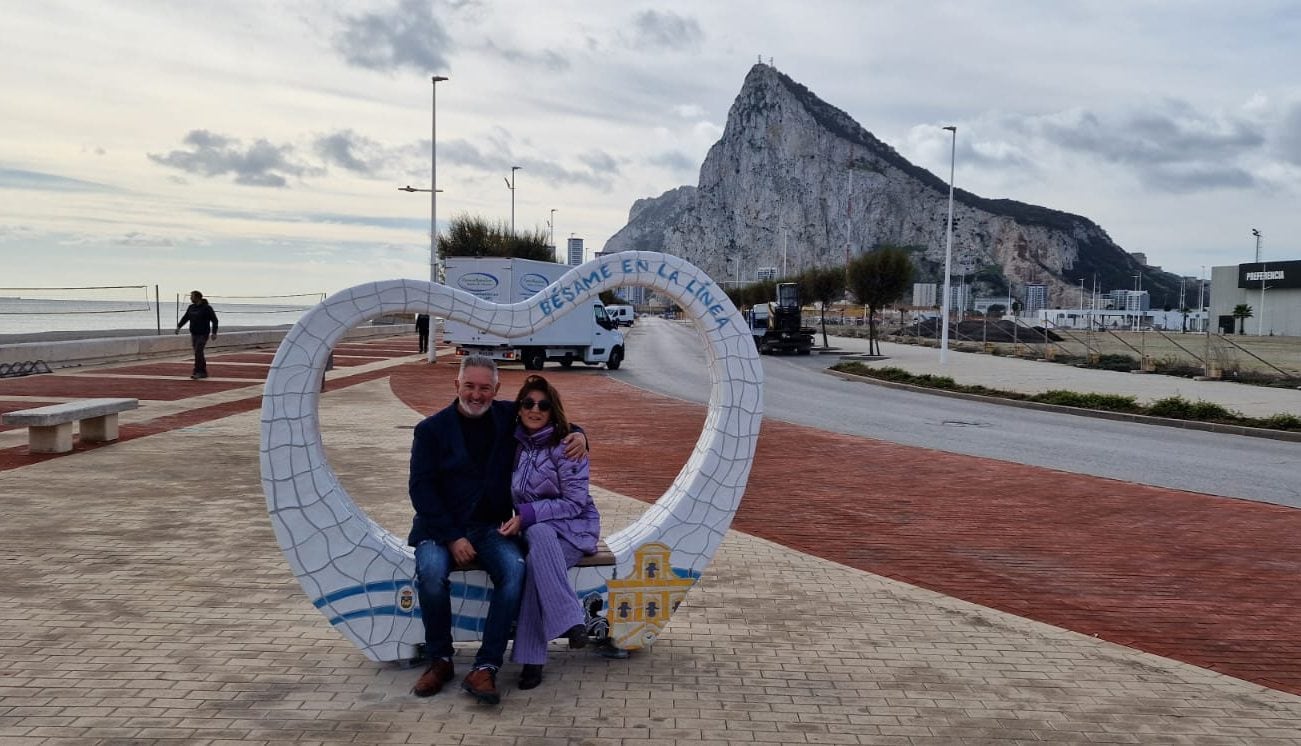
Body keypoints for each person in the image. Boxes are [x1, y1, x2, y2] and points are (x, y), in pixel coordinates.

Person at [407, 355, 586, 705]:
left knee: (515, 571)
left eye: (485, 388)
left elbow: (554, 422)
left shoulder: (508, 417)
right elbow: (420, 489)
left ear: (497, 390)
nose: (477, 394)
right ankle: (440, 660)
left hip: (490, 527)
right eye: (470, 386)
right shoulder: (430, 430)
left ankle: (486, 666)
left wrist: (581, 435)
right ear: (456, 385)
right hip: (440, 527)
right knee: (430, 572)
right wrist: (452, 537)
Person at [498, 375, 601, 691]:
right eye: (528, 403)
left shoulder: (565, 445)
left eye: (543, 405)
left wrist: (527, 515)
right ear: (519, 407)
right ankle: (569, 621)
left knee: (537, 554)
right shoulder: (515, 444)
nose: (535, 410)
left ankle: (533, 660)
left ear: (552, 409)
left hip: (574, 531)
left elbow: (575, 502)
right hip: (537, 532)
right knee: (538, 547)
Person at [175, 290, 218, 379]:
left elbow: (214, 320)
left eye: (192, 296)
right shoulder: (191, 307)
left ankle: (197, 371)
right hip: (194, 333)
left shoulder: (206, 308)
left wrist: (214, 332)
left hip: (203, 333)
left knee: (198, 351)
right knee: (198, 353)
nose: (190, 298)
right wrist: (179, 327)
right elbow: (185, 318)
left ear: (197, 297)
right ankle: (203, 371)